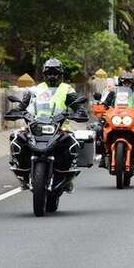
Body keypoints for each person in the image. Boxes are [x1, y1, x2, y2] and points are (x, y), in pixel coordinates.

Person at [9, 58, 87, 191]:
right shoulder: (35, 90)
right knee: (17, 138)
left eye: (55, 73)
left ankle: (68, 176)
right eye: (49, 72)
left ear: (61, 74)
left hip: (60, 127)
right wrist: (15, 111)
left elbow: (77, 106)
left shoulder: (67, 89)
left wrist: (79, 112)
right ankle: (21, 172)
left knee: (72, 142)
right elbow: (23, 105)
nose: (52, 76)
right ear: (44, 74)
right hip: (36, 125)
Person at [97, 71, 134, 168]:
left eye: (129, 83)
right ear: (121, 83)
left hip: (131, 120)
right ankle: (104, 157)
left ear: (132, 84)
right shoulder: (113, 94)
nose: (126, 84)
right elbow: (104, 104)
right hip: (115, 119)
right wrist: (101, 107)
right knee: (99, 131)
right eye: (125, 83)